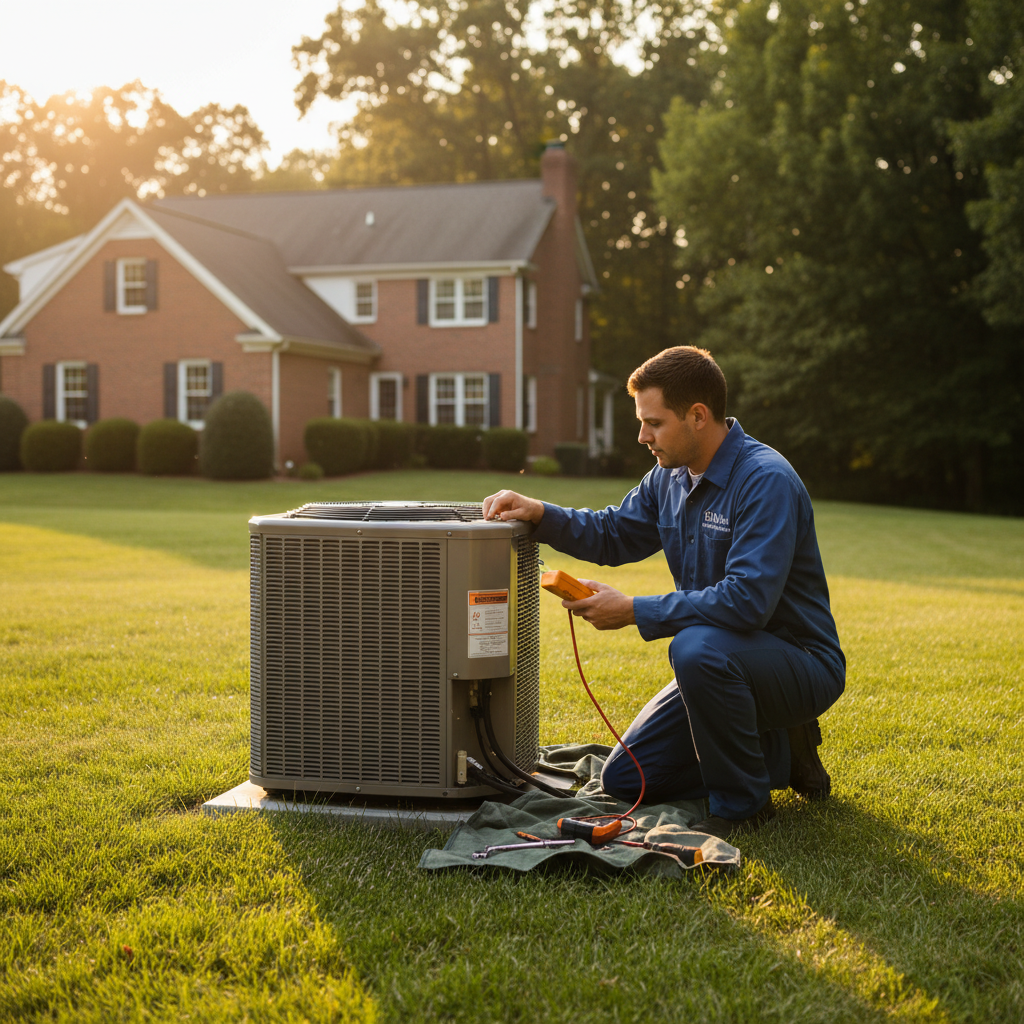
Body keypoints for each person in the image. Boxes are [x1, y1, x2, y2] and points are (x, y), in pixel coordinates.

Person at [482, 346, 845, 839]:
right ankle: (781, 753)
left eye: (653, 422)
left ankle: (744, 806)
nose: (641, 436)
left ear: (697, 416)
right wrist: (541, 513)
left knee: (693, 648)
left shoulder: (765, 480)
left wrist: (632, 610)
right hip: (725, 661)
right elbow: (614, 533)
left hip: (799, 662)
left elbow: (747, 602)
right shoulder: (668, 476)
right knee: (624, 776)